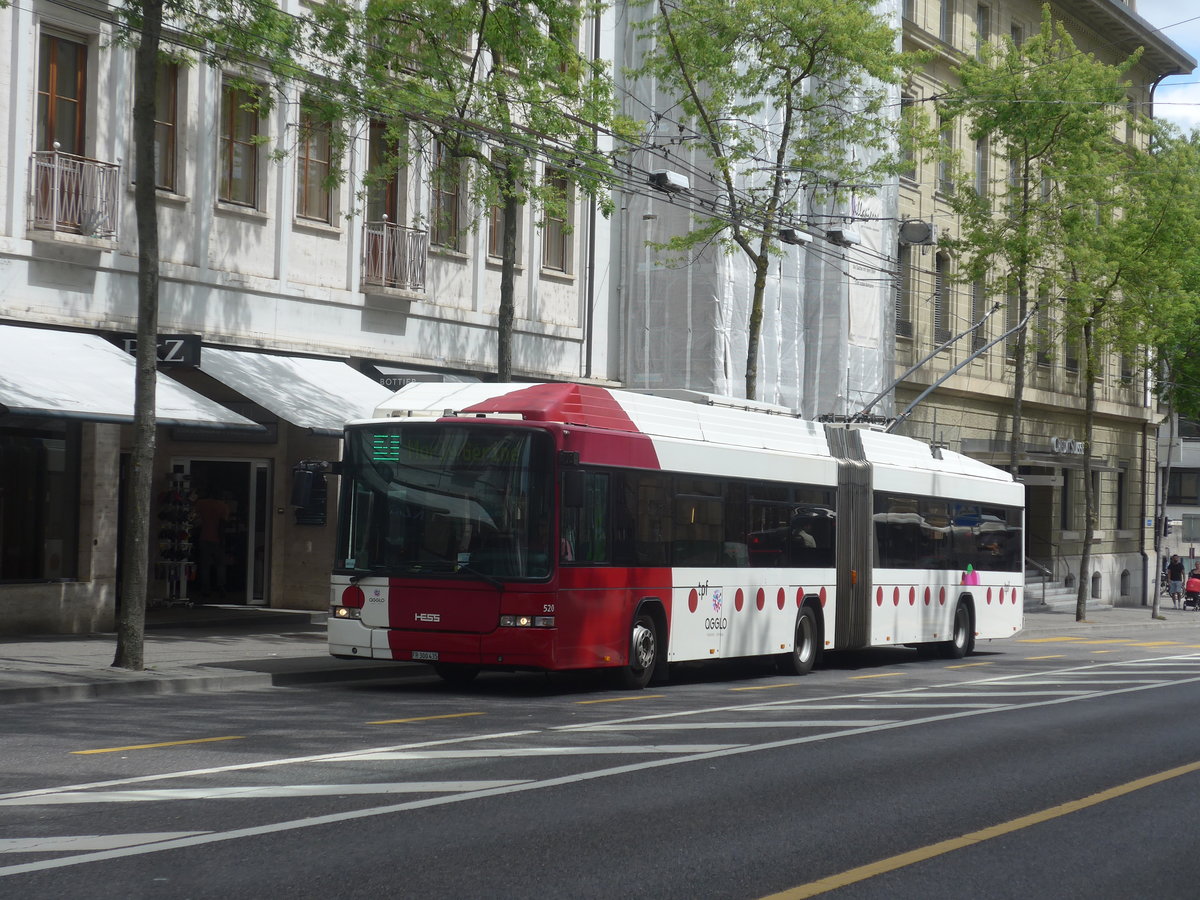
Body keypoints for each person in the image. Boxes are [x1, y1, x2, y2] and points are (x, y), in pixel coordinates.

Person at [194, 487, 231, 599]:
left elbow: (195, 517)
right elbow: (222, 524)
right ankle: (220, 587)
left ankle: (206, 589)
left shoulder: (201, 503)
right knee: (220, 565)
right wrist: (222, 539)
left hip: (204, 537)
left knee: (205, 565)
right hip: (217, 539)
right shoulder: (223, 506)